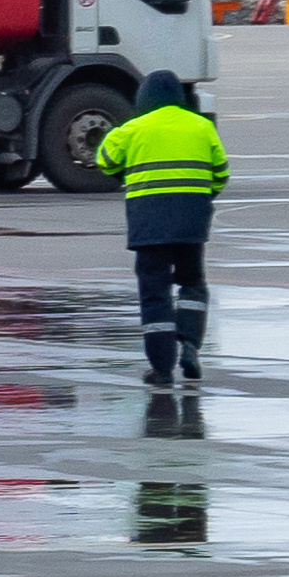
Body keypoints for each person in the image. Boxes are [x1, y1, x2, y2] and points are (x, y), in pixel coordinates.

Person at [93, 70, 228, 389]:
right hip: (191, 222)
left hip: (149, 223)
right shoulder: (201, 126)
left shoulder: (132, 129)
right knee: (193, 283)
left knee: (155, 293)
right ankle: (191, 346)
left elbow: (104, 160)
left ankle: (162, 369)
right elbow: (220, 173)